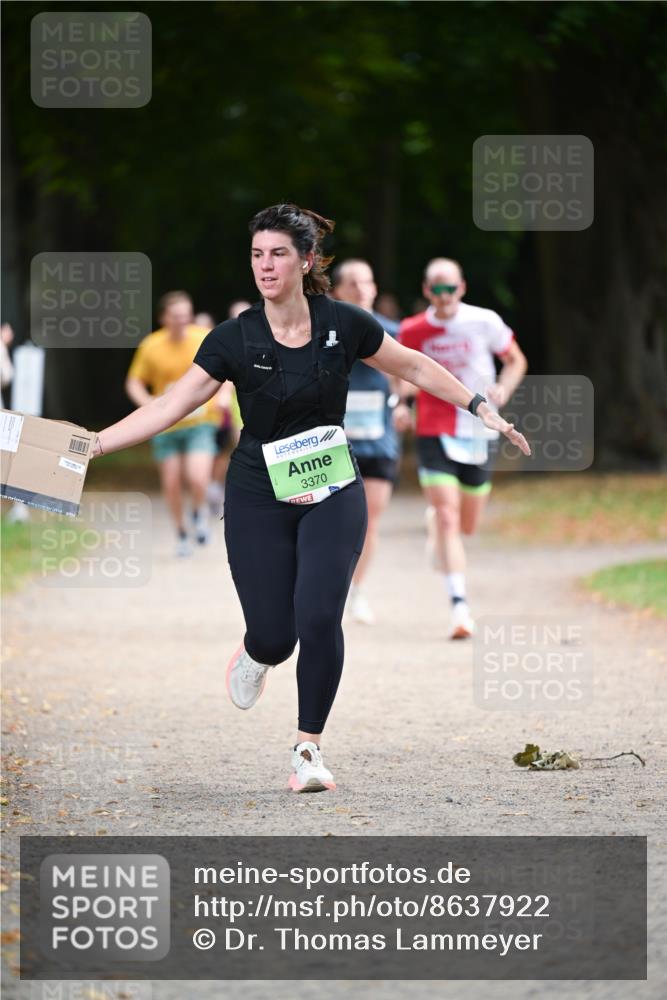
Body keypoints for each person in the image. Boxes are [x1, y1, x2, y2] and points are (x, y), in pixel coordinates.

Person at [92, 205, 529, 793]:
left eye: (277, 254)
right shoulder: (233, 337)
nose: (265, 266)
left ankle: (308, 750)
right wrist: (95, 443)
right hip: (257, 490)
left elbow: (416, 366)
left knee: (321, 615)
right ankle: (255, 653)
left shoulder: (344, 323)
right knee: (276, 635)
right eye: (256, 255)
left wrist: (480, 407)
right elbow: (173, 404)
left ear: (306, 260)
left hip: (331, 485)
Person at [398, 257, 528, 639]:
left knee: (467, 525)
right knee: (449, 517)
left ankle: (437, 529)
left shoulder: (484, 321)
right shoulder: (413, 329)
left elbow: (516, 360)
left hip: (478, 431)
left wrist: (505, 386)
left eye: (450, 288)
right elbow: (403, 372)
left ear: (462, 288)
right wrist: (402, 405)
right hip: (433, 428)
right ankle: (459, 607)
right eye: (436, 289)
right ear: (426, 291)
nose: (444, 296)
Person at [331, 259, 409, 625]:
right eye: (353, 283)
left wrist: (402, 403)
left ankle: (356, 592)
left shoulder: (393, 331)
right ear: (337, 290)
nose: (362, 289)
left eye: (368, 282)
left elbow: (410, 376)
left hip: (378, 438)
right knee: (331, 521)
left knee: (369, 520)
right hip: (332, 439)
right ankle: (326, 588)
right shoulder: (324, 330)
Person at [125, 291, 219, 557]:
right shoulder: (151, 346)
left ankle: (199, 513)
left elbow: (224, 374)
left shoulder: (203, 338)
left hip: (200, 421)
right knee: (172, 481)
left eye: (186, 314)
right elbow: (133, 382)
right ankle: (180, 532)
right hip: (165, 426)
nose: (182, 320)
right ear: (164, 318)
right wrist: (148, 404)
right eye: (176, 315)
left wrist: (222, 398)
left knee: (199, 477)